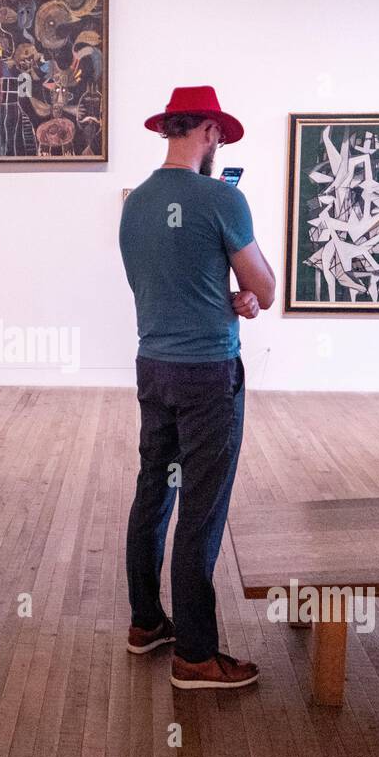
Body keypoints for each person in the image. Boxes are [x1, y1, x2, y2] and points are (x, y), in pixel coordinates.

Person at [119, 86, 276, 690]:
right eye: (220, 137)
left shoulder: (134, 205)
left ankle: (145, 623)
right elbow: (263, 286)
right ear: (208, 131)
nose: (220, 147)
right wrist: (244, 296)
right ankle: (196, 655)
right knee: (202, 510)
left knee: (152, 493)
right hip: (208, 374)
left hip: (152, 366)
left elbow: (162, 284)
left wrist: (224, 296)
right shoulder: (222, 199)